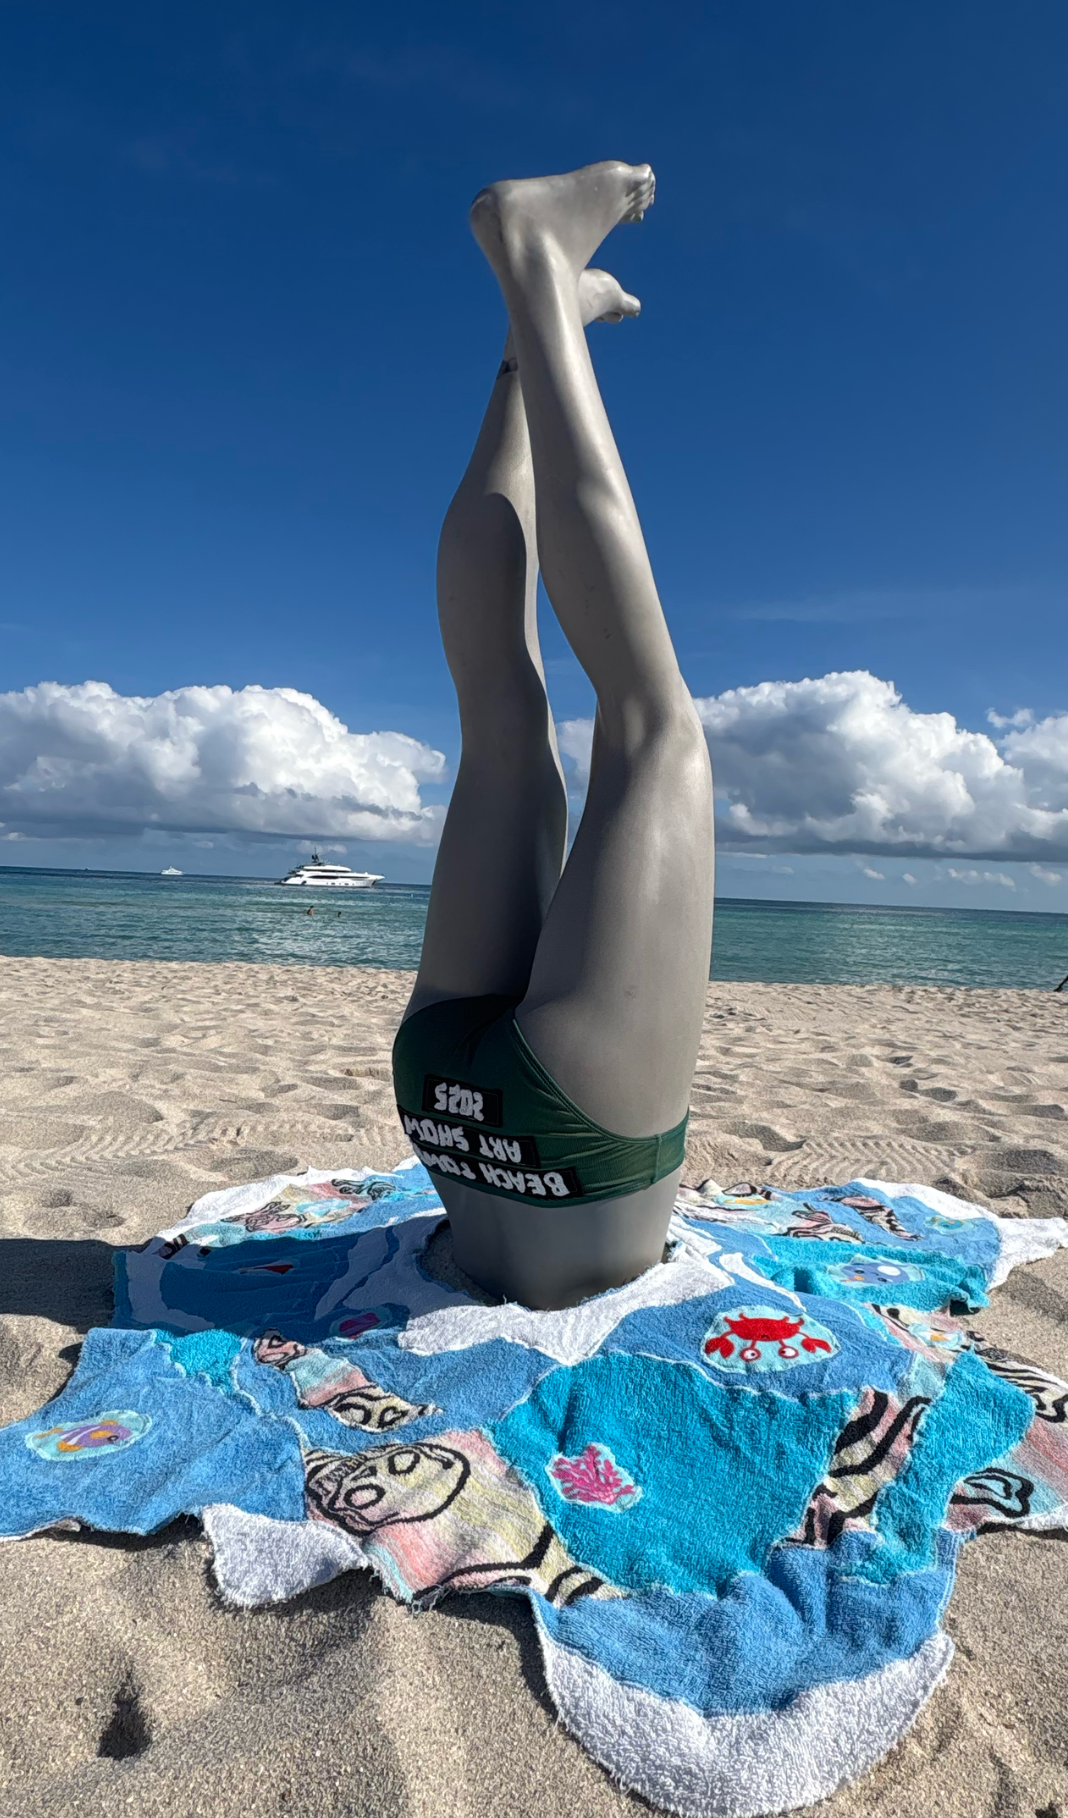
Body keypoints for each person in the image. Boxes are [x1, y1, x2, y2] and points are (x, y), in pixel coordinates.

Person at [389, 163, 714, 1312]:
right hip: (483, 1105)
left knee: (588, 724)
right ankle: (533, 263)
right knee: (571, 722)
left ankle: (539, 332)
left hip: (482, 1108)